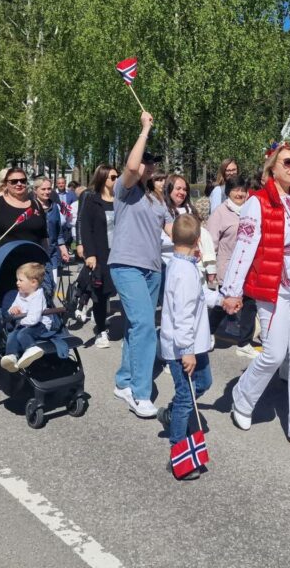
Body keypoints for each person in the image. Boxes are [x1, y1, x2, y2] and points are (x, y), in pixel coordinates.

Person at [221, 141, 290, 453]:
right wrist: (232, 291)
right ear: (272, 167)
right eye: (287, 162)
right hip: (275, 284)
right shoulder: (257, 202)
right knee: (273, 354)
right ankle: (242, 399)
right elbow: (243, 249)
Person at [110, 111, 173, 419]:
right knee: (147, 326)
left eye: (154, 161)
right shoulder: (125, 190)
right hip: (126, 265)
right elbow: (132, 166)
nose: (150, 165)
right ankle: (140, 393)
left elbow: (173, 232)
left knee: (138, 327)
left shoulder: (157, 199)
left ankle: (123, 380)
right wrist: (145, 129)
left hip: (153, 269)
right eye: (147, 160)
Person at [159, 215, 221, 480]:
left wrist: (222, 300)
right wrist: (186, 351)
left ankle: (171, 412)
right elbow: (183, 315)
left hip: (196, 343)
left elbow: (199, 296)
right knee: (186, 397)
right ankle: (178, 455)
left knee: (204, 382)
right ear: (198, 241)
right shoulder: (182, 272)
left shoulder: (184, 265)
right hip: (183, 347)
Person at [206, 175, 258, 358]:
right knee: (224, 304)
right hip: (227, 266)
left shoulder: (251, 209)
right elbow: (210, 241)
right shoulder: (221, 212)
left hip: (249, 266)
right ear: (228, 191)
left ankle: (244, 342)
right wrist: (209, 268)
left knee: (250, 304)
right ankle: (209, 332)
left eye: (243, 190)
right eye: (236, 189)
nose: (240, 193)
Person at [0, 262, 69, 372]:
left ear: (33, 282)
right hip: (24, 323)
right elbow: (14, 306)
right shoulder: (21, 293)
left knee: (23, 334)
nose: (17, 283)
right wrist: (13, 310)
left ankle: (31, 348)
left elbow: (34, 319)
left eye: (20, 280)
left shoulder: (38, 296)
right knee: (12, 335)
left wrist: (20, 321)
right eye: (17, 280)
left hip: (39, 324)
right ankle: (12, 356)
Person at [77, 164, 118, 348]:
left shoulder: (121, 200)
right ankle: (101, 330)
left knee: (121, 293)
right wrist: (90, 254)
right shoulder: (92, 200)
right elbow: (86, 229)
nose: (116, 180)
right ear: (103, 179)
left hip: (121, 253)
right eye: (113, 177)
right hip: (101, 253)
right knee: (101, 294)